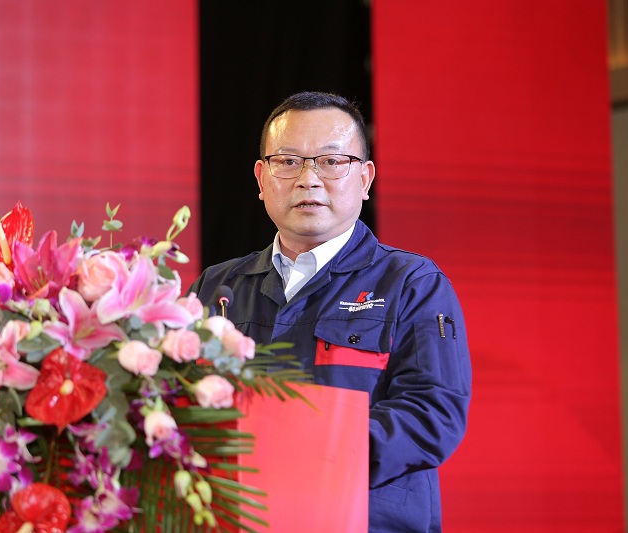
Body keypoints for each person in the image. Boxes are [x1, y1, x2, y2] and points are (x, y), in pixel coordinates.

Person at [188, 91, 471, 532]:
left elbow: (432, 413)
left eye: (331, 161)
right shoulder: (217, 287)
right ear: (261, 178)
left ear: (365, 178)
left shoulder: (412, 283)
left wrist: (305, 456)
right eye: (288, 161)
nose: (308, 179)